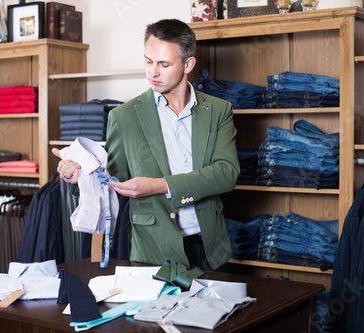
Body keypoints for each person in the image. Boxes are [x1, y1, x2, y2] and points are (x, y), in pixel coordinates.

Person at [53, 18, 240, 271]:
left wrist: (160, 186)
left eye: (164, 64)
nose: (153, 72)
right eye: (148, 61)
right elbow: (115, 180)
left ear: (188, 64)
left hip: (210, 247)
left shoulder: (218, 110)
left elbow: (226, 174)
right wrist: (83, 177)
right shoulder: (124, 116)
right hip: (153, 251)